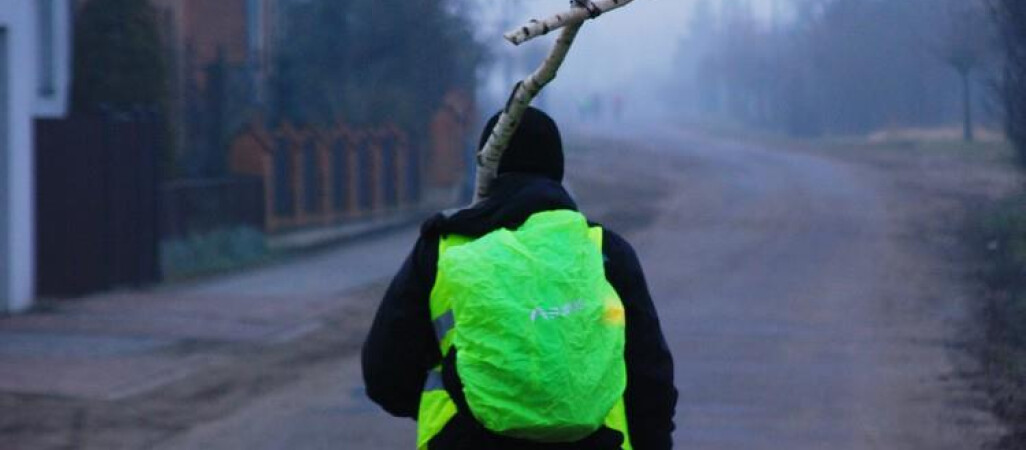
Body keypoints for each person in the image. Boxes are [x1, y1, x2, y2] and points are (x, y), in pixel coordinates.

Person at [362, 107, 677, 449]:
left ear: (486, 166)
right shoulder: (604, 252)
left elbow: (385, 375)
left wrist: (463, 399)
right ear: (557, 171)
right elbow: (651, 382)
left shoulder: (443, 249)